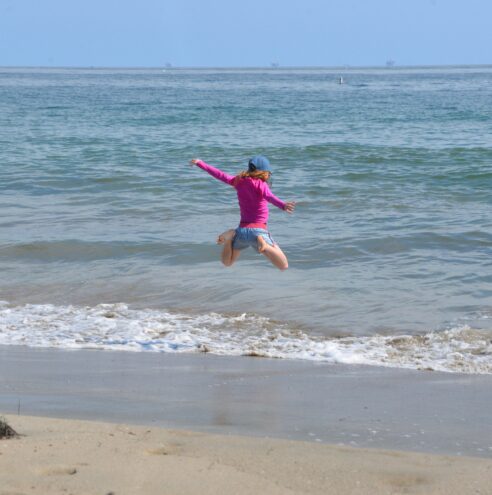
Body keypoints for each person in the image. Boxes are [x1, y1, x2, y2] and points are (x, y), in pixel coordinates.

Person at [189, 155, 295, 270]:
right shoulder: (261, 184)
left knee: (227, 262)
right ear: (264, 172)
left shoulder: (238, 181)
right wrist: (283, 205)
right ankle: (264, 245)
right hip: (259, 231)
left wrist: (200, 163)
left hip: (242, 231)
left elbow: (220, 175)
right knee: (284, 265)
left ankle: (230, 237)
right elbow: (270, 197)